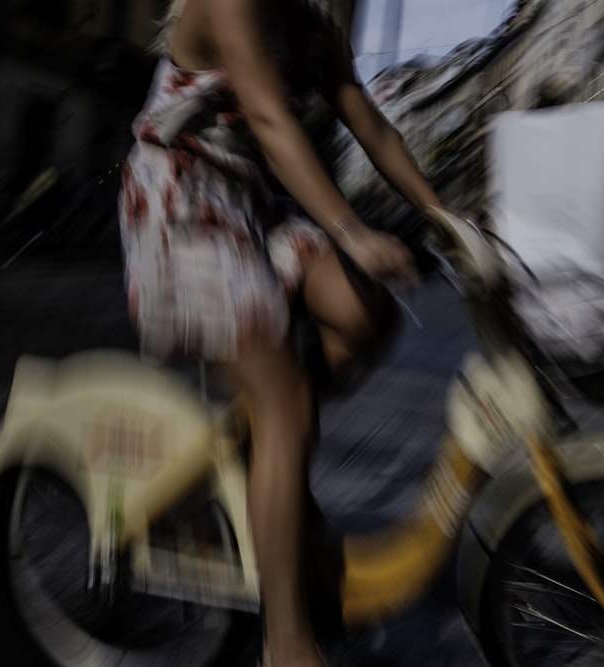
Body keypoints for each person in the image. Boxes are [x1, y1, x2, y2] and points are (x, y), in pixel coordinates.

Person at [118, 0, 447, 665]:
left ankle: (262, 459)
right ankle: (287, 642)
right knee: (288, 406)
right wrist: (352, 232)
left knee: (365, 314)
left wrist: (445, 216)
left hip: (250, 208)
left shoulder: (313, 26)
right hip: (181, 210)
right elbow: (267, 116)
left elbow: (370, 124)